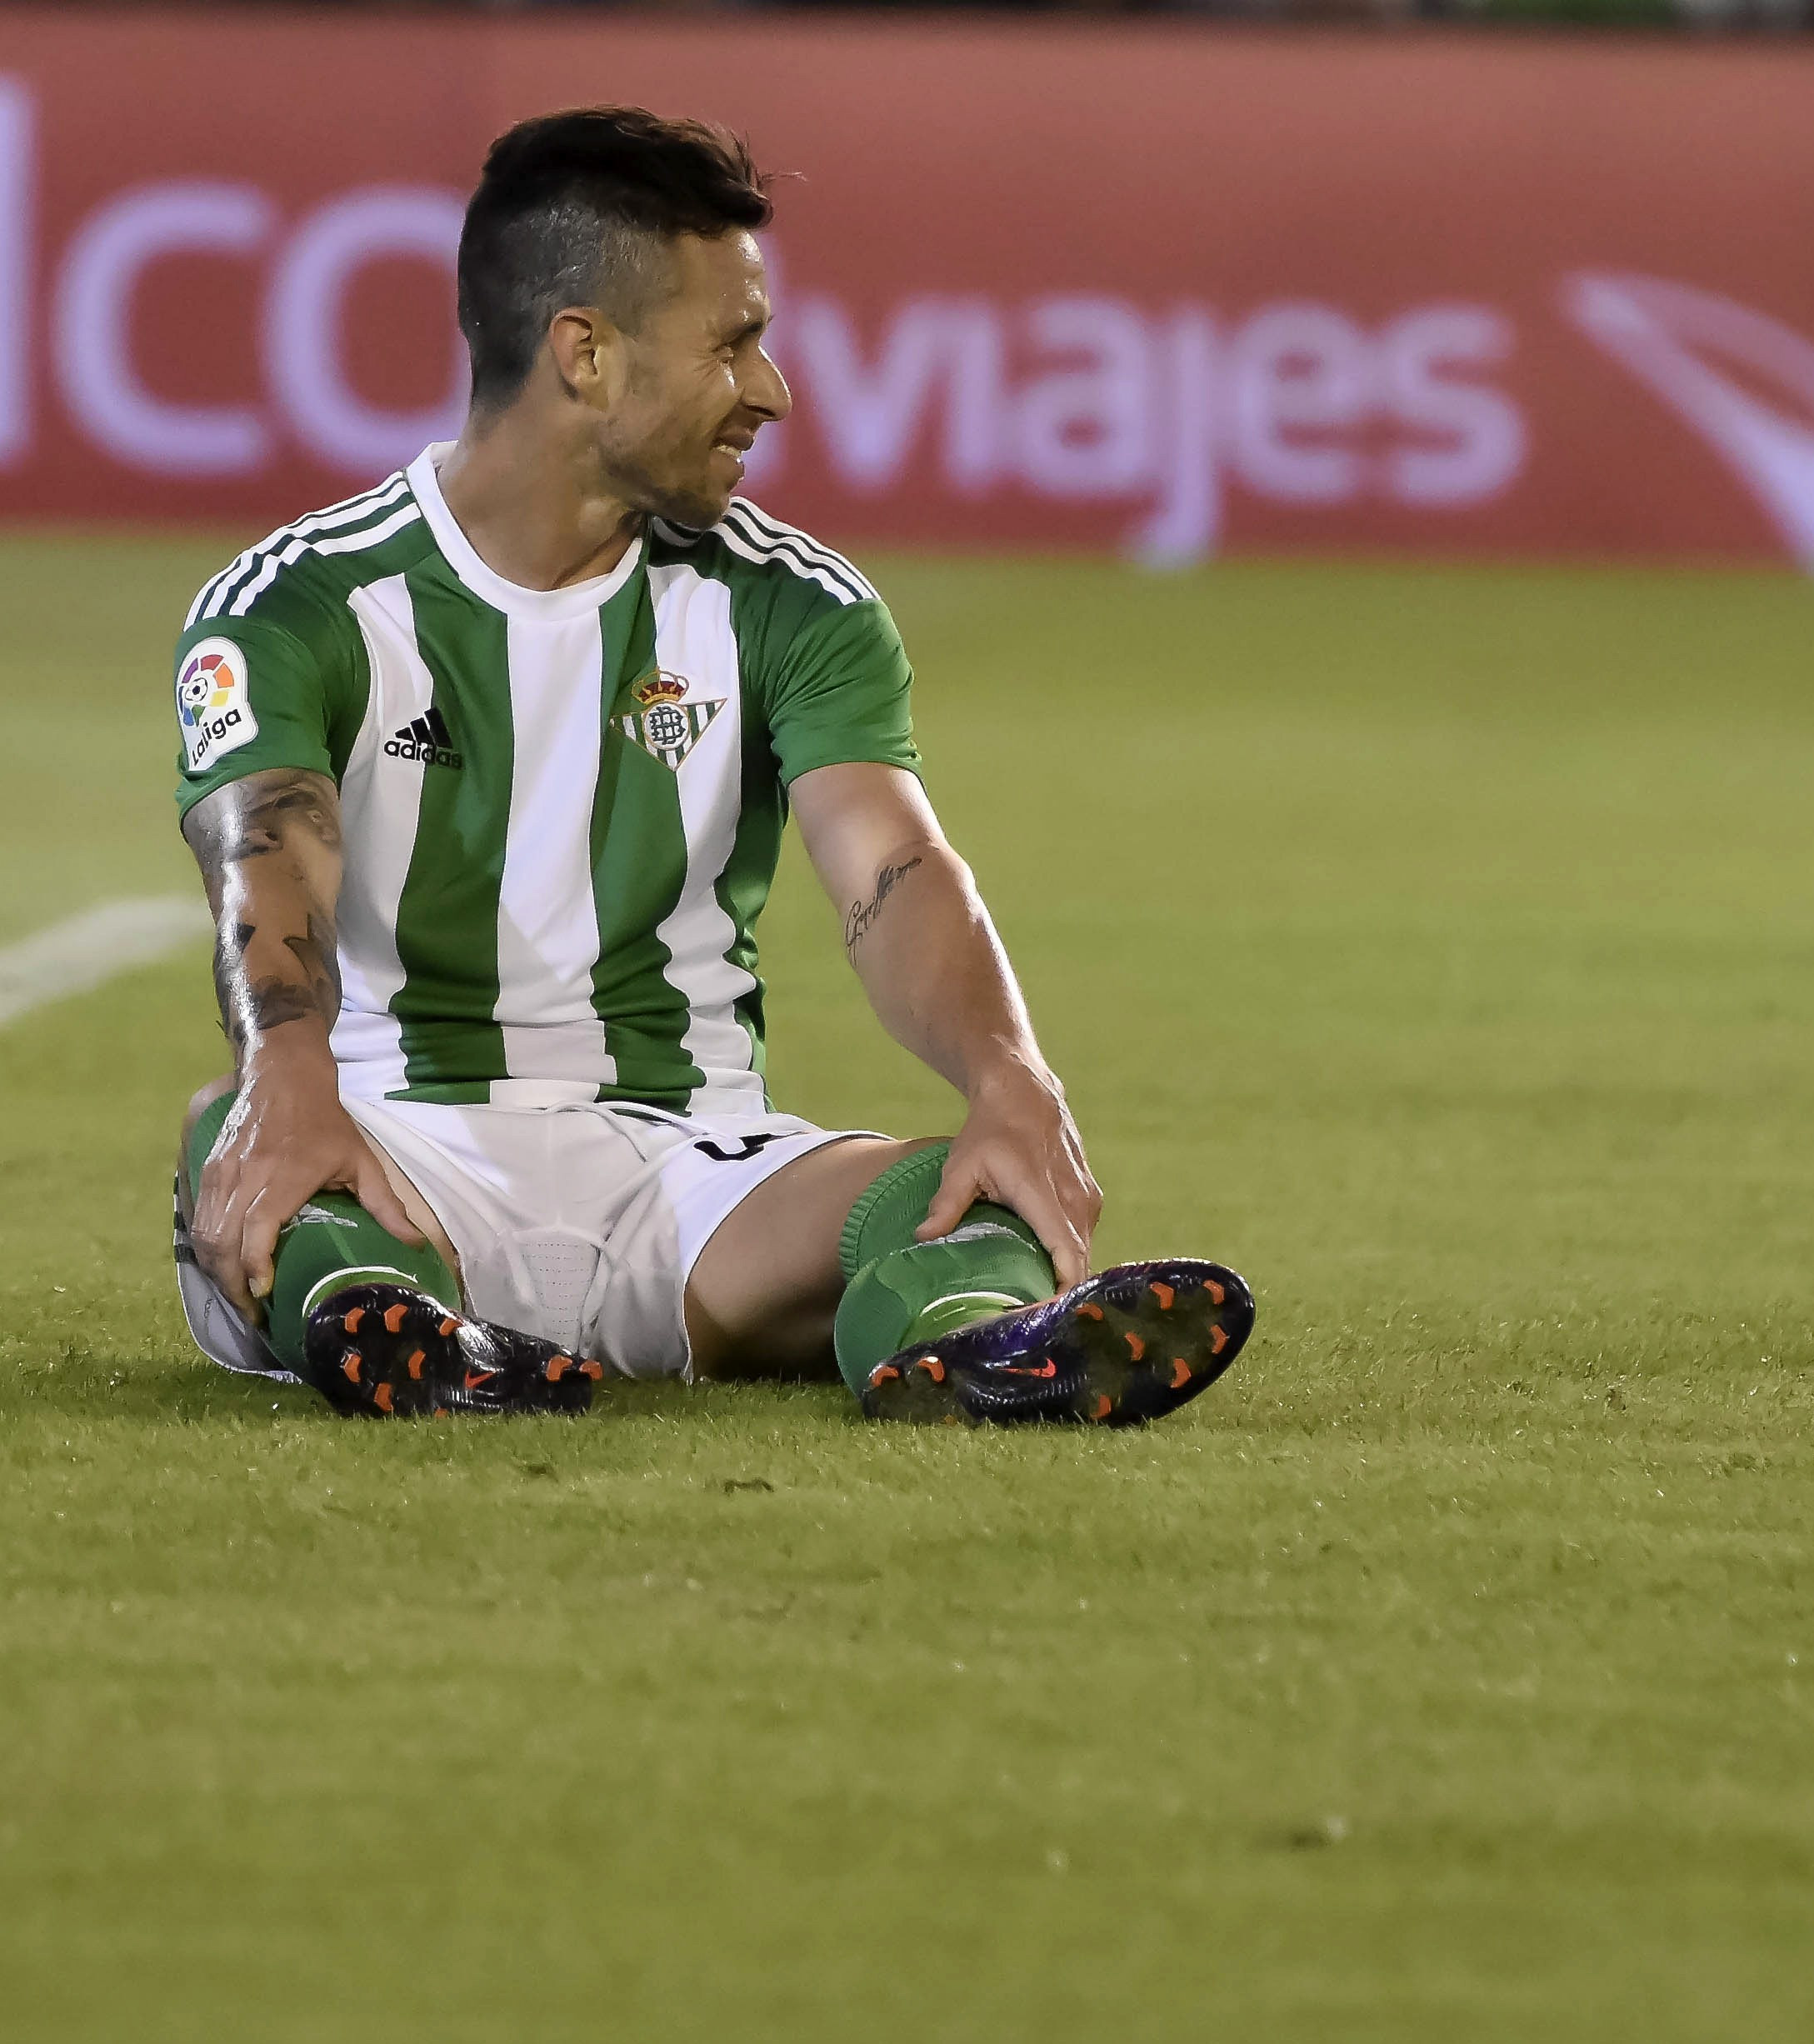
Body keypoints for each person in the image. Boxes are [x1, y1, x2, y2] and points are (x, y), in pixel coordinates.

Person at [167, 105, 1251, 1426]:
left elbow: (894, 867)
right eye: (731, 343)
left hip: (694, 1171)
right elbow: (260, 861)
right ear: (584, 354)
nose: (772, 389)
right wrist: (286, 1090)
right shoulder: (298, 605)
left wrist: (1008, 1074)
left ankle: (978, 1344)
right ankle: (389, 1325)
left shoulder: (792, 605)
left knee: (951, 1189)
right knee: (248, 1143)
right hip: (397, 1139)